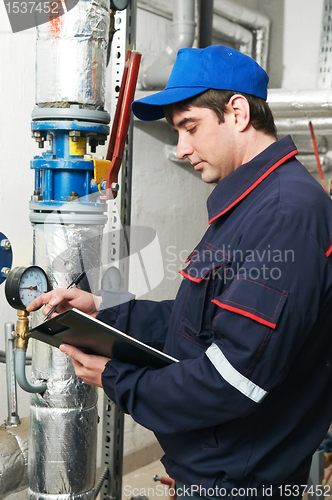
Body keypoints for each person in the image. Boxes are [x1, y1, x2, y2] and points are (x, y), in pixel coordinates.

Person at [27, 45, 332, 499]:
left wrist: (116, 377)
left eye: (190, 127)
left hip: (239, 484)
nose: (183, 148)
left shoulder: (285, 214)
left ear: (238, 112)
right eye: (177, 133)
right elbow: (200, 320)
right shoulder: (250, 205)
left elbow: (232, 383)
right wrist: (102, 311)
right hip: (214, 473)